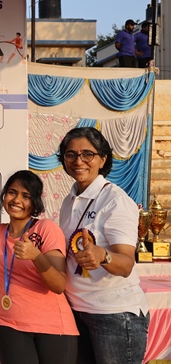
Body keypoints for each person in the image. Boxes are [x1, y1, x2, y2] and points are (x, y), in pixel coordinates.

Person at [57, 127, 149, 364]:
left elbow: (126, 264)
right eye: (71, 154)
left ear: (103, 159)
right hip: (77, 311)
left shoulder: (116, 201)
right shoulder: (69, 200)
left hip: (114, 315)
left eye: (87, 154)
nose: (79, 161)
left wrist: (103, 256)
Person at [0, 170, 79, 364]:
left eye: (26, 196)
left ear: (35, 202)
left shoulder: (45, 228)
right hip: (10, 324)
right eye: (12, 192)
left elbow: (58, 285)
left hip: (55, 326)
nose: (17, 200)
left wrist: (36, 256)